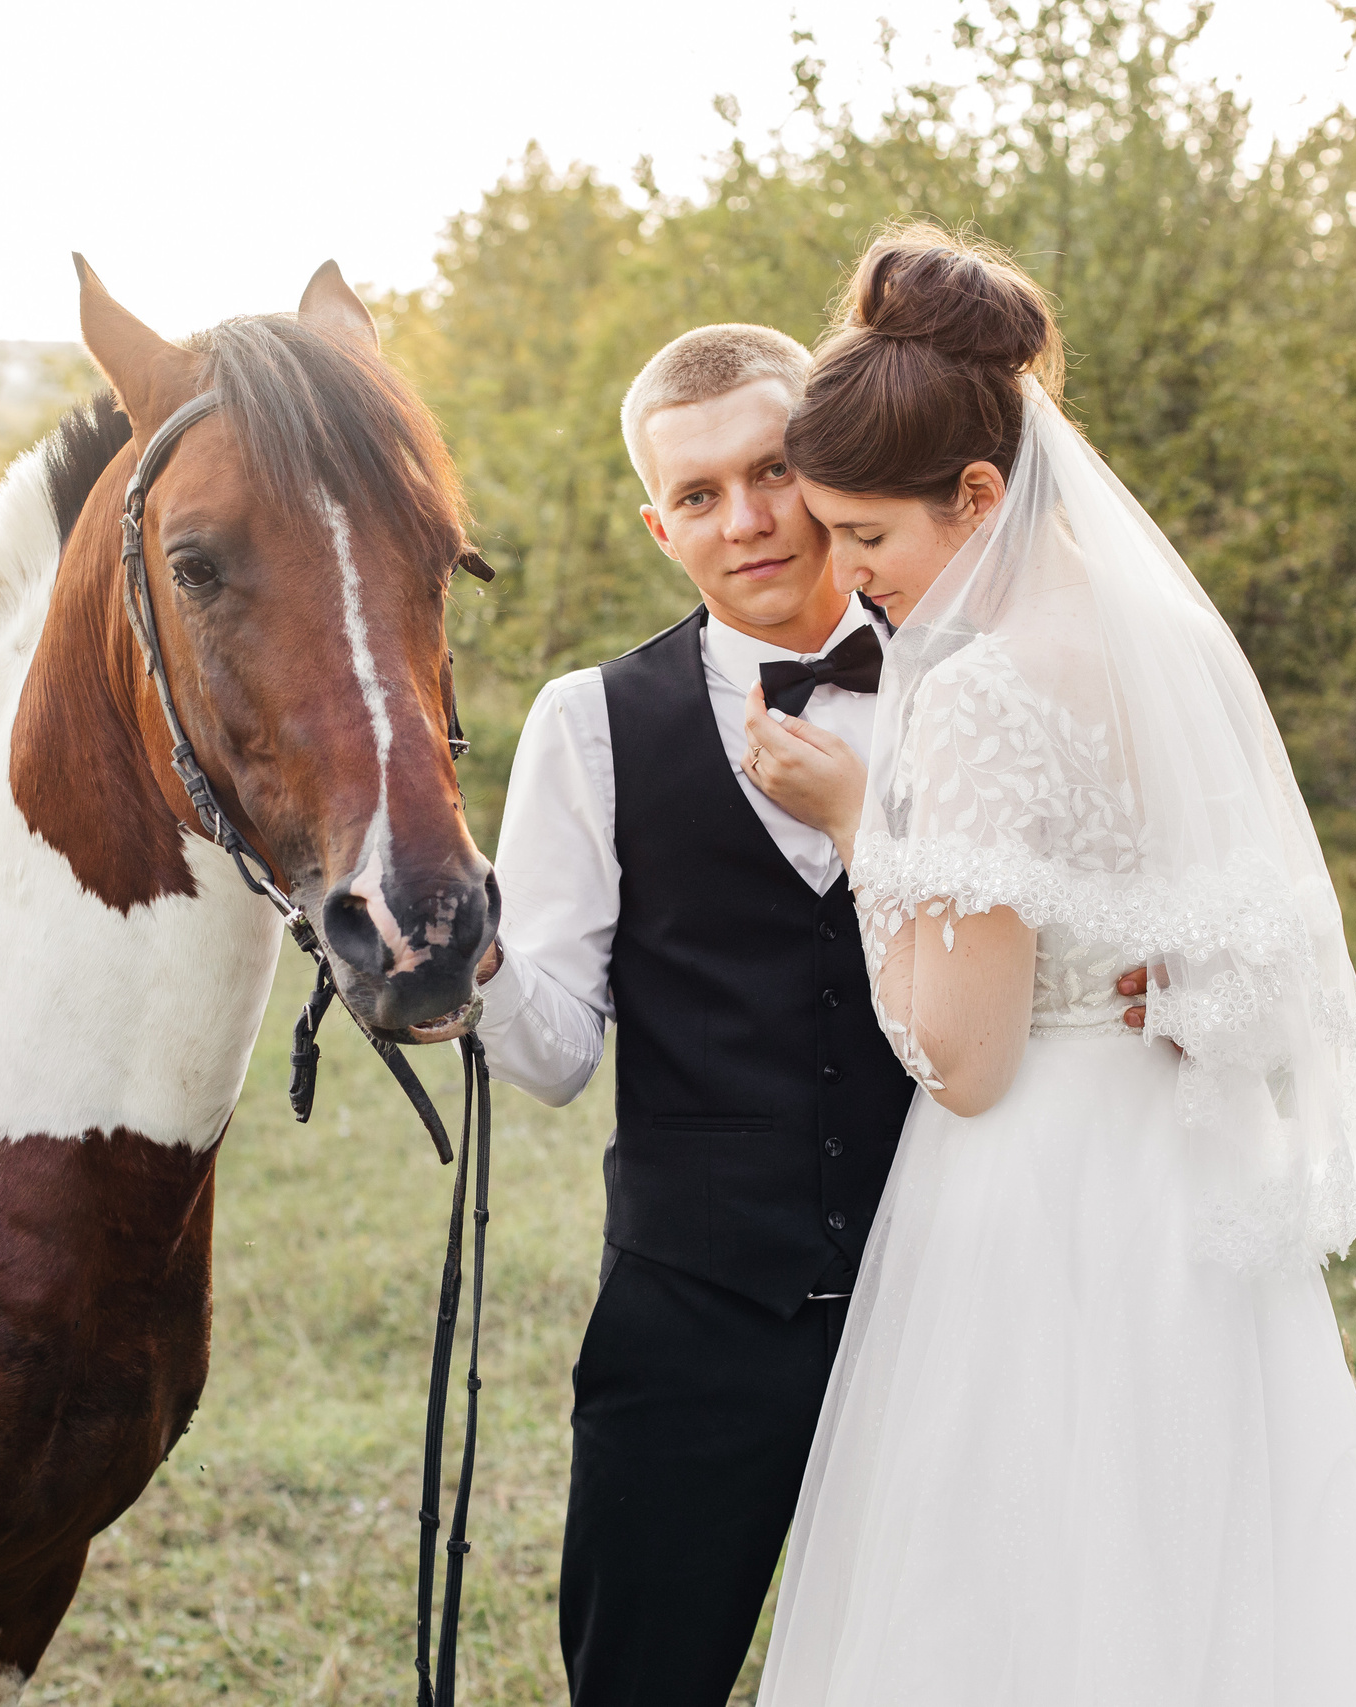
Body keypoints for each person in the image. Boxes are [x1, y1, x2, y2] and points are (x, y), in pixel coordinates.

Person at [738, 224, 1356, 1704]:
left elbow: (966, 1059)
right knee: (1219, 1543)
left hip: (1041, 1196)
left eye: (871, 537)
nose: (851, 575)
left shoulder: (979, 697)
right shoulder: (1163, 637)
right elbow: (1257, 929)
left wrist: (860, 830)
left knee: (1026, 1564)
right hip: (1191, 1189)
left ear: (977, 493)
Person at [427, 319, 1152, 1704]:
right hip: (691, 1325)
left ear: (824, 471)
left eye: (772, 473)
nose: (748, 521)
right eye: (698, 497)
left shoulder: (983, 687)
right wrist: (467, 968)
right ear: (658, 525)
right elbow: (559, 1051)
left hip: (954, 1302)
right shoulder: (590, 725)